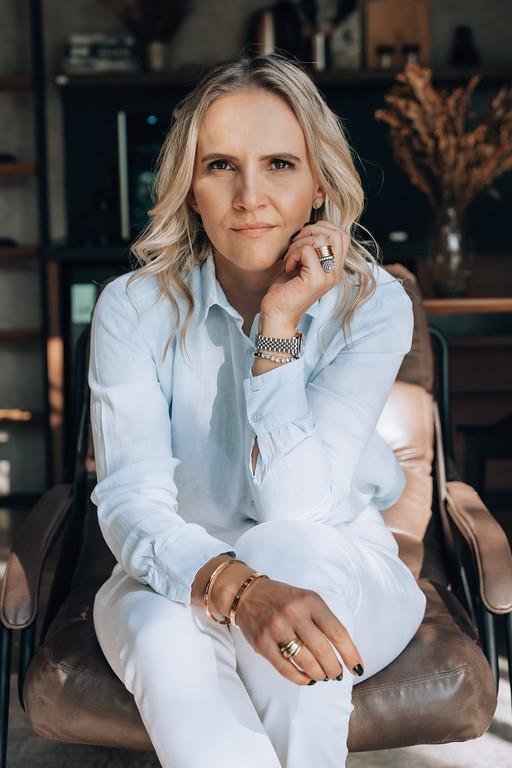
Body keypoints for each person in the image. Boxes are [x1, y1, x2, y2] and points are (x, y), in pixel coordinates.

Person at [90, 52, 427, 768]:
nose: (250, 196)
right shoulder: (131, 309)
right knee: (160, 632)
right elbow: (131, 503)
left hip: (336, 564)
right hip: (174, 573)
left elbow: (294, 508)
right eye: (220, 166)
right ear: (190, 189)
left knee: (288, 553)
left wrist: (278, 327)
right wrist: (234, 587)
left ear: (318, 183)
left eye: (279, 164)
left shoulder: (372, 306)